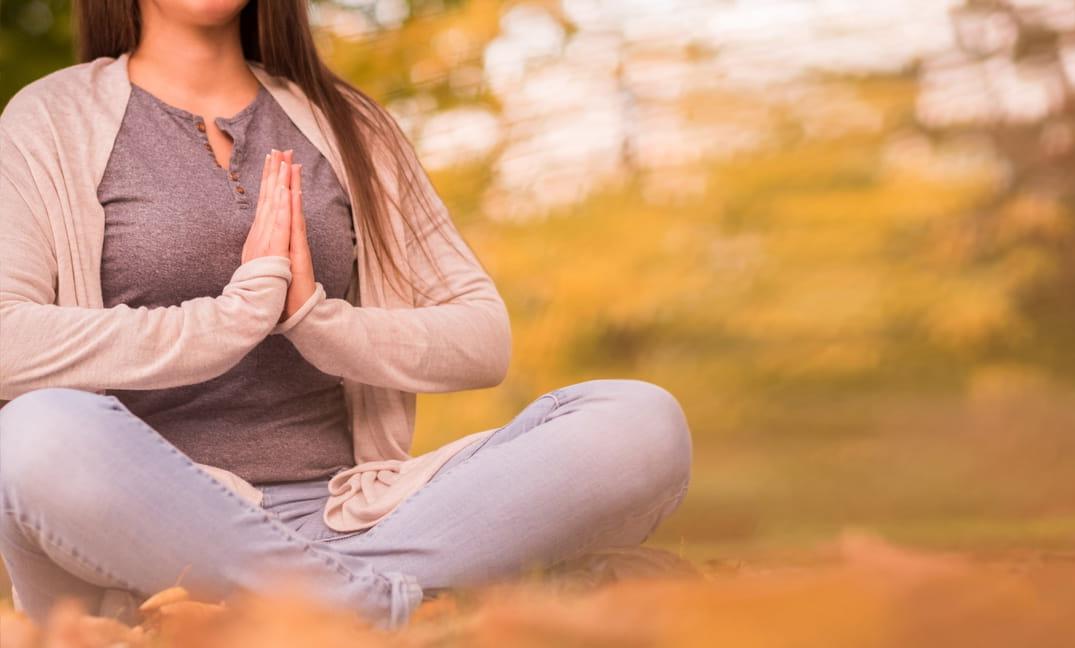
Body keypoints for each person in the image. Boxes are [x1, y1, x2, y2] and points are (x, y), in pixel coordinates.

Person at [0, 0, 692, 631]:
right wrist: (230, 320)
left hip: (358, 516)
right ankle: (414, 599)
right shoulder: (51, 119)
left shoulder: (347, 123)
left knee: (639, 420)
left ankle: (312, 602)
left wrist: (315, 319)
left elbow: (482, 337)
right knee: (36, 432)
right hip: (151, 528)